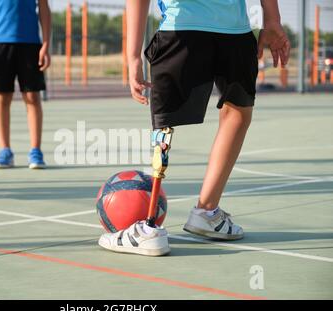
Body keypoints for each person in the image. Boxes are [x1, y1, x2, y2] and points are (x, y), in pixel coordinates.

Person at [98, 0, 290, 256]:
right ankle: (207, 211)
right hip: (234, 32)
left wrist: (132, 55)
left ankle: (149, 229)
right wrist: (272, 20)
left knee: (165, 122)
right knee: (238, 112)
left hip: (183, 27)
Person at [0, 0, 51, 169]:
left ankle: (35, 150)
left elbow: (44, 8)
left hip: (30, 44)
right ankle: (5, 151)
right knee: (2, 97)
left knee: (32, 96)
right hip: (0, 43)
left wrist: (45, 44)